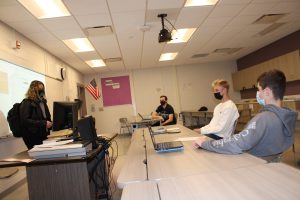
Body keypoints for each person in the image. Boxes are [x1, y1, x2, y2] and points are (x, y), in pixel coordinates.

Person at [194, 69, 298, 161]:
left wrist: (205, 144)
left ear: (267, 92)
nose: (258, 94)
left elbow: (237, 143)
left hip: (255, 163)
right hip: (273, 161)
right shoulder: (284, 116)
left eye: (259, 90)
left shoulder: (264, 118)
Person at [20, 80, 52, 149]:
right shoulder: (27, 102)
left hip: (43, 134)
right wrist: (43, 123)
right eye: (39, 89)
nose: (41, 91)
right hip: (32, 136)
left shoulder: (43, 102)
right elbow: (25, 120)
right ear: (33, 90)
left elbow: (46, 117)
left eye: (42, 89)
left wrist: (50, 123)